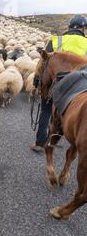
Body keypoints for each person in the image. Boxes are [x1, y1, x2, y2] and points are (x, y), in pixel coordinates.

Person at [30, 15, 87, 153]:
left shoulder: (56, 40)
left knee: (45, 109)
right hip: (79, 86)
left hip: (55, 84)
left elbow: (43, 62)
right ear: (83, 28)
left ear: (69, 27)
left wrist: (36, 81)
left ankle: (40, 142)